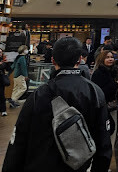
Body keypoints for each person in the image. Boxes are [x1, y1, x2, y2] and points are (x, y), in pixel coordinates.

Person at [2, 37, 112, 172]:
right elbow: (103, 143)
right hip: (79, 166)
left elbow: (19, 140)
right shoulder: (94, 92)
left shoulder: (39, 94)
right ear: (79, 60)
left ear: (53, 60)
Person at [91, 50, 118, 134]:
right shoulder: (98, 73)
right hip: (105, 107)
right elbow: (98, 92)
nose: (110, 59)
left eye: (112, 57)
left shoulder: (115, 72)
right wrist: (115, 84)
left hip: (116, 107)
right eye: (107, 57)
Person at [0, 48, 10, 116]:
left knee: (1, 95)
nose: (0, 54)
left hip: (1, 80)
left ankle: (3, 110)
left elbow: (8, 69)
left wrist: (7, 63)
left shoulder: (3, 60)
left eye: (1, 52)